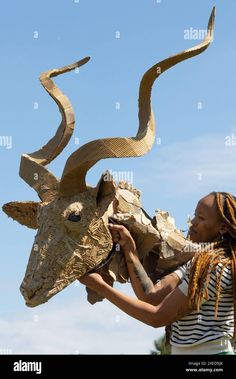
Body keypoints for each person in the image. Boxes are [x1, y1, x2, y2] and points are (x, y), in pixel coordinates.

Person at [79, 192, 235, 354]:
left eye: (201, 218)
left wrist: (101, 287)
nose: (193, 222)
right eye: (195, 215)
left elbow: (157, 317)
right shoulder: (196, 262)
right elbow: (151, 296)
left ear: (223, 227)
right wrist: (129, 248)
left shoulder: (216, 266)